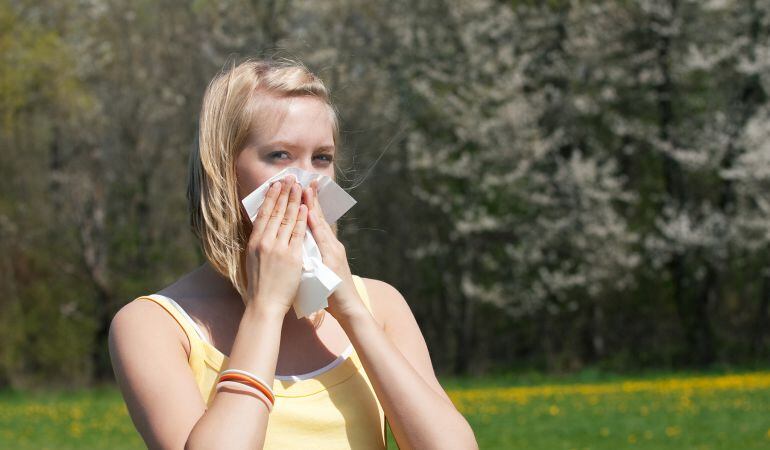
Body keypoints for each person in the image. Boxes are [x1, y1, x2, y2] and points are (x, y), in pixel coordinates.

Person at [108, 58, 478, 450]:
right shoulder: (154, 325)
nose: (307, 184)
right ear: (222, 170)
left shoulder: (381, 304)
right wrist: (265, 309)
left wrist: (351, 309)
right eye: (280, 156)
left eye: (322, 158)